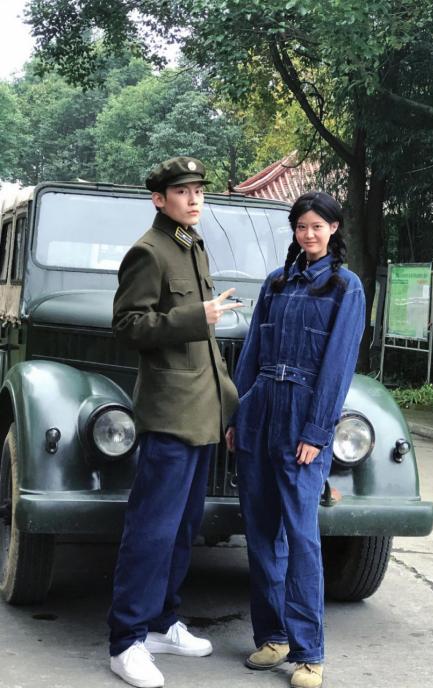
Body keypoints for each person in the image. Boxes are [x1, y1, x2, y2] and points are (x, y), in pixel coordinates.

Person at [108, 156, 242, 688]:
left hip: (201, 411)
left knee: (184, 528)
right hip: (169, 414)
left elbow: (203, 348)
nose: (194, 198)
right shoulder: (150, 250)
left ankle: (162, 622)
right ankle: (126, 641)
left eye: (198, 190)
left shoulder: (191, 245)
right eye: (182, 191)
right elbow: (127, 325)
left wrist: (227, 403)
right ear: (158, 199)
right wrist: (195, 316)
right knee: (151, 530)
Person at [225, 191, 365, 688]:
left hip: (303, 416)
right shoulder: (276, 282)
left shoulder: (345, 287)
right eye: (301, 226)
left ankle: (309, 654)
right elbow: (252, 351)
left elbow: (338, 367)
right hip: (261, 408)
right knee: (260, 530)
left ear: (333, 229)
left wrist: (317, 431)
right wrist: (238, 415)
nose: (308, 234)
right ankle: (273, 637)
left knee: (301, 537)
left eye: (317, 226)